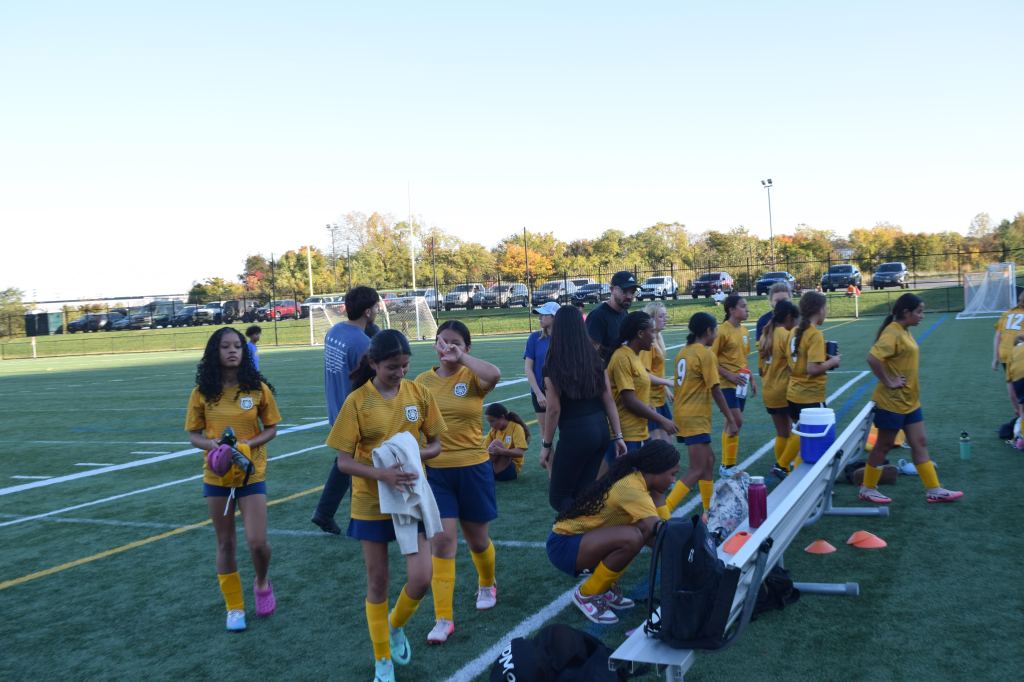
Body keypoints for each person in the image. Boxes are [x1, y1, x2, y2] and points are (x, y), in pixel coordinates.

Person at [327, 329, 446, 682]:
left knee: (421, 578)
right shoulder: (357, 402)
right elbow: (343, 463)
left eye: (405, 366)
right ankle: (382, 659)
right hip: (371, 501)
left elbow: (436, 444)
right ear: (374, 363)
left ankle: (394, 626)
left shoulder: (418, 393)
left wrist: (413, 455)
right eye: (393, 366)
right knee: (377, 581)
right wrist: (383, 474)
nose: (400, 372)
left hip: (410, 496)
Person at [185, 327, 281, 632]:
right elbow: (193, 435)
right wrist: (212, 445)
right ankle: (234, 607)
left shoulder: (257, 389)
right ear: (215, 352)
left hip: (251, 474)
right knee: (225, 543)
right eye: (225, 346)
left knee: (257, 542)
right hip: (217, 477)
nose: (232, 351)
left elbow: (272, 428)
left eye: (237, 346)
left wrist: (248, 444)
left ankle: (262, 581)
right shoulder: (202, 392)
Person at [414, 320, 502, 644]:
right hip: (437, 474)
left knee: (478, 541)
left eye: (455, 343)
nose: (447, 347)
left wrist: (461, 357)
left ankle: (487, 583)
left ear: (466, 347)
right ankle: (443, 618)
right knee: (442, 541)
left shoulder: (472, 376)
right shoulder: (421, 382)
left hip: (473, 469)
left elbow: (494, 374)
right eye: (442, 341)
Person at [546, 441, 679, 625]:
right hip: (564, 545)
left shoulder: (645, 482)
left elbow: (659, 531)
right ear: (656, 470)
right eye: (672, 474)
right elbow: (660, 529)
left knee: (642, 532)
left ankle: (604, 586)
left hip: (583, 540)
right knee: (632, 538)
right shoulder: (631, 487)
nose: (673, 480)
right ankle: (587, 594)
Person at [860, 294, 964, 504]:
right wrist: (889, 381)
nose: (922, 316)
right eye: (919, 312)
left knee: (920, 442)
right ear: (906, 312)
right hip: (891, 402)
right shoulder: (892, 332)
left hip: (910, 401)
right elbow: (872, 358)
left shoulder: (904, 330)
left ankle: (934, 489)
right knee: (884, 445)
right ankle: (867, 489)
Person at [540, 306, 627, 513]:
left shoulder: (553, 363)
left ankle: (576, 531)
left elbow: (553, 409)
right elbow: (608, 399)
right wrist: (618, 436)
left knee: (559, 498)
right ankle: (587, 530)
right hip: (601, 430)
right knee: (583, 493)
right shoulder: (595, 358)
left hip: (576, 432)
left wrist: (546, 445)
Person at [311, 286, 380, 535]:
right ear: (368, 311)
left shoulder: (334, 331)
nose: (379, 309)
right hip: (354, 412)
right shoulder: (362, 343)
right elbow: (372, 383)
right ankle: (359, 520)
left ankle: (324, 513)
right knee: (356, 465)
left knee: (345, 462)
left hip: (336, 406)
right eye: (376, 306)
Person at [665, 313, 737, 514]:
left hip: (684, 413)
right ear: (708, 331)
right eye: (715, 330)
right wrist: (730, 419)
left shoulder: (683, 352)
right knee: (696, 469)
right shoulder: (705, 354)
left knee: (709, 461)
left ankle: (708, 510)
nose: (717, 334)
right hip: (694, 416)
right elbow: (716, 389)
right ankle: (663, 511)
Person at [606, 311, 678, 464]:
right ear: (640, 334)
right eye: (652, 331)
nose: (654, 336)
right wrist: (662, 420)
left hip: (638, 431)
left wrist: (648, 405)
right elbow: (629, 401)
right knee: (622, 478)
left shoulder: (634, 356)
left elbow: (637, 388)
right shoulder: (622, 357)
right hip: (626, 433)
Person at [758, 300, 802, 480]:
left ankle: (784, 470)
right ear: (790, 317)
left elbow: (760, 369)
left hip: (769, 390)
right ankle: (787, 466)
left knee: (782, 432)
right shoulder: (786, 334)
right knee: (801, 430)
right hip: (785, 390)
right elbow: (794, 364)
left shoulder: (765, 335)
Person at [712, 294, 756, 477]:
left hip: (741, 384)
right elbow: (711, 359)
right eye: (743, 306)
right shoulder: (722, 331)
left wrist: (751, 377)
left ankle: (728, 465)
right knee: (736, 421)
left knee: (732, 423)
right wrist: (728, 374)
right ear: (731, 310)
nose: (747, 309)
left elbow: (742, 359)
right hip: (726, 384)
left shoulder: (745, 331)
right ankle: (727, 465)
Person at [787, 291, 840, 421]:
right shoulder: (815, 334)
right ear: (820, 310)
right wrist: (832, 362)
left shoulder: (794, 331)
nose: (826, 311)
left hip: (793, 395)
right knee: (820, 434)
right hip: (810, 398)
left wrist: (822, 356)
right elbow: (812, 369)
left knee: (800, 433)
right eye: (825, 308)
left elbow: (798, 359)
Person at [586, 270, 638, 365]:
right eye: (624, 291)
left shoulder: (624, 312)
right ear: (612, 289)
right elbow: (590, 354)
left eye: (633, 292)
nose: (629, 296)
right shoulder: (598, 316)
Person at [641, 301, 675, 444]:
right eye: (661, 316)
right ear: (651, 319)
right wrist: (668, 382)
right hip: (650, 401)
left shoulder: (658, 338)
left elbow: (655, 371)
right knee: (658, 449)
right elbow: (643, 375)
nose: (665, 319)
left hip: (659, 399)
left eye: (665, 316)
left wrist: (666, 390)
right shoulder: (648, 343)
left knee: (668, 446)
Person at [524, 302, 557, 445]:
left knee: (567, 430)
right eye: (540, 315)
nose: (540, 318)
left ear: (554, 317)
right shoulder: (534, 338)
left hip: (560, 391)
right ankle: (550, 461)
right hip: (540, 392)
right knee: (546, 435)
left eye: (544, 315)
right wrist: (538, 394)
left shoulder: (564, 339)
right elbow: (528, 368)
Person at [992, 290, 1024, 415]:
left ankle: (1018, 411)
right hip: (1019, 354)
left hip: (1005, 353)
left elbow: (997, 336)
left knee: (1011, 384)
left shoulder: (1006, 313)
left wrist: (995, 357)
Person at [485, 402, 530, 481]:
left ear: (502, 417)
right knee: (480, 449)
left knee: (496, 443)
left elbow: (520, 452)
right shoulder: (494, 430)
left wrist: (501, 451)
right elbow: (484, 447)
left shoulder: (516, 427)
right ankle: (482, 471)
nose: (490, 425)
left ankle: (484, 472)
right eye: (489, 422)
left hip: (510, 470)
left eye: (492, 421)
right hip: (497, 468)